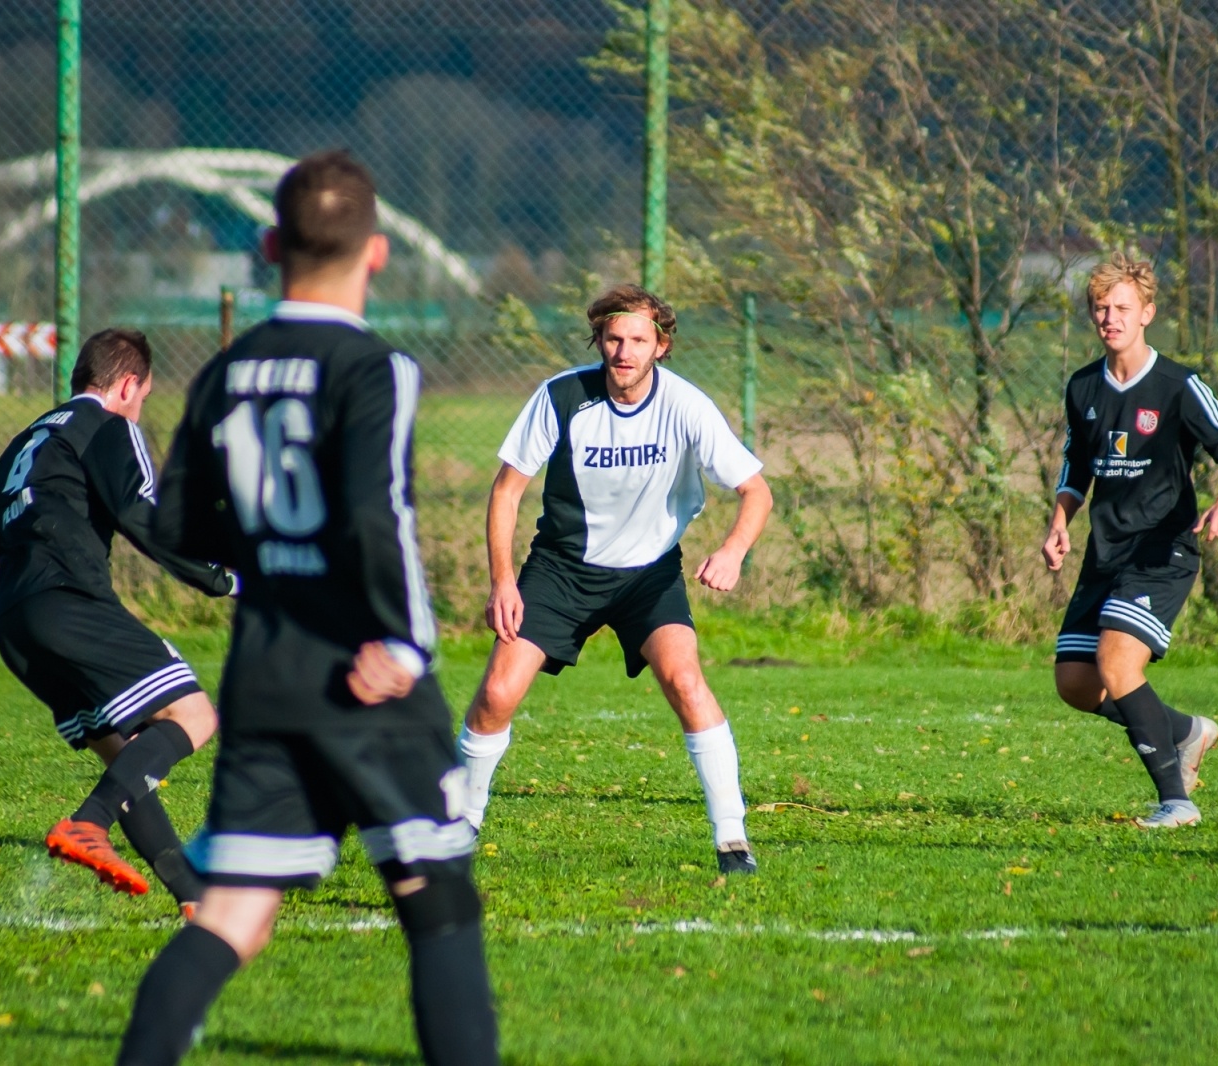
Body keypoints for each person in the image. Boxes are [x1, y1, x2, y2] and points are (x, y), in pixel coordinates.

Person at [115, 150, 497, 1066]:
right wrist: (404, 642)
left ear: (269, 244)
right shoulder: (375, 368)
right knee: (437, 901)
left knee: (234, 918)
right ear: (376, 254)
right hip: (367, 681)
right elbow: (377, 512)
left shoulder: (225, 371)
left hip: (265, 678)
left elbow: (170, 519)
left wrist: (268, 559)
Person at [0, 328, 234, 913]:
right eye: (145, 396)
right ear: (128, 385)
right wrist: (223, 576)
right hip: (67, 600)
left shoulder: (32, 435)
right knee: (194, 714)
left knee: (123, 752)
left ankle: (192, 897)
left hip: (15, 621)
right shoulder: (111, 427)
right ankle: (89, 823)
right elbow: (142, 514)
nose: (140, 407)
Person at [455, 284, 774, 874]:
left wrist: (732, 551)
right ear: (599, 341)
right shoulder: (561, 396)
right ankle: (460, 825)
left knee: (684, 681)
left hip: (648, 574)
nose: (623, 351)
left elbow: (756, 491)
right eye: (613, 338)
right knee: (498, 694)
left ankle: (733, 841)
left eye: (637, 340)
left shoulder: (686, 405)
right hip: (560, 569)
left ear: (661, 346)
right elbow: (507, 491)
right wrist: (503, 581)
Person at [1043, 253, 1218, 829]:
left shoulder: (1177, 386)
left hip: (1163, 551)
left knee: (1116, 662)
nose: (1108, 318)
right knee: (1076, 683)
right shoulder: (1083, 386)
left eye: (1121, 308)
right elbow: (1075, 466)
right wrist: (1061, 519)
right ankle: (1185, 732)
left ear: (1147, 315)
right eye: (1100, 308)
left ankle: (1177, 802)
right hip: (1105, 552)